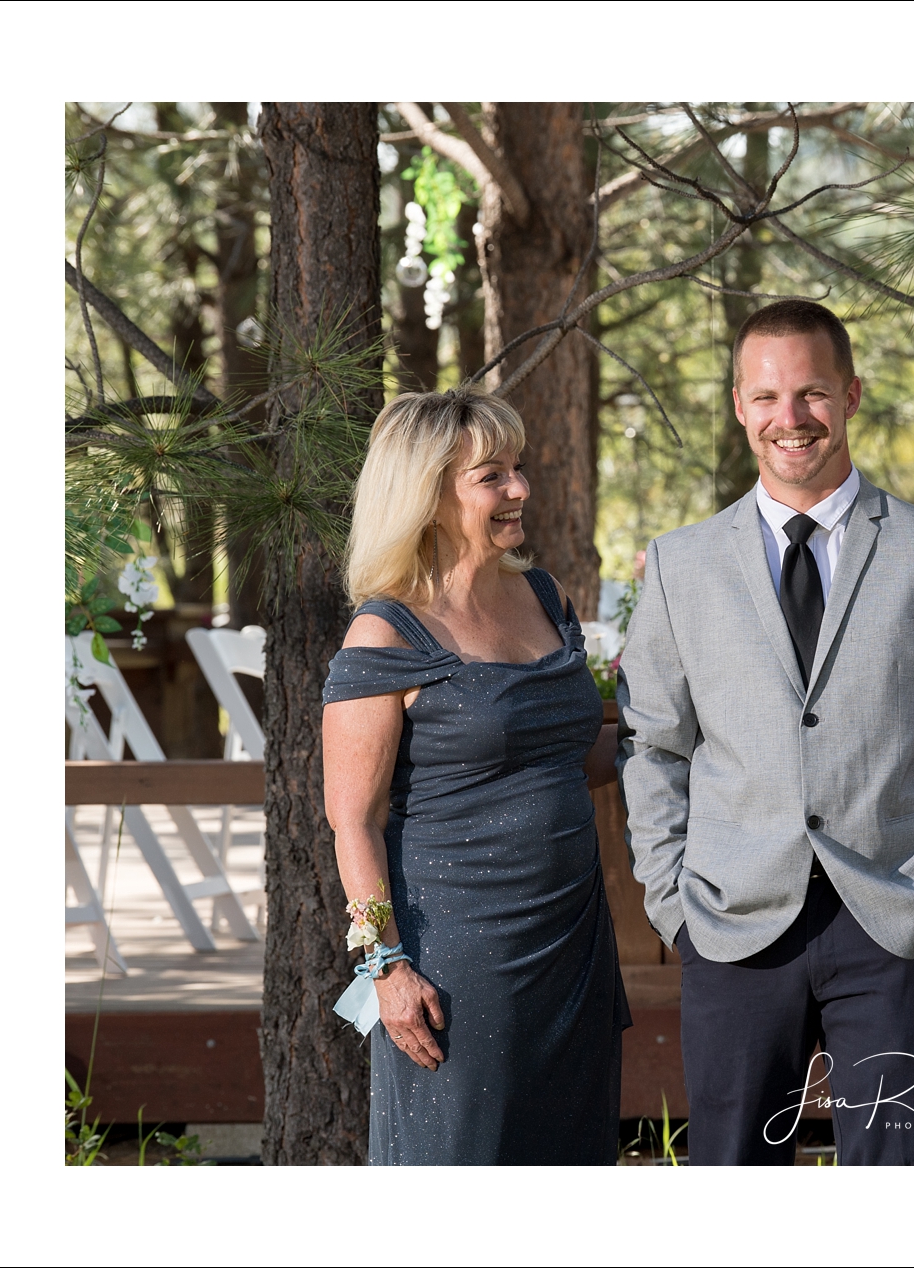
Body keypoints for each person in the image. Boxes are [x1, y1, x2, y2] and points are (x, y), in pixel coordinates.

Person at [618, 300, 914, 1165]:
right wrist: (670, 896)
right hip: (731, 921)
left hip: (895, 917)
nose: (789, 419)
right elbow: (653, 744)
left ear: (851, 394)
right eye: (766, 397)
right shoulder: (682, 564)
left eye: (811, 393)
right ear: (738, 405)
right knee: (733, 1172)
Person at [322, 386, 629, 1165]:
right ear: (427, 496)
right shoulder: (386, 630)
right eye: (492, 475)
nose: (520, 488)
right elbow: (353, 819)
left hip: (574, 945)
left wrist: (674, 734)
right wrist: (386, 968)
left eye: (518, 469)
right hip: (458, 960)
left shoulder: (544, 594)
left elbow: (572, 758)